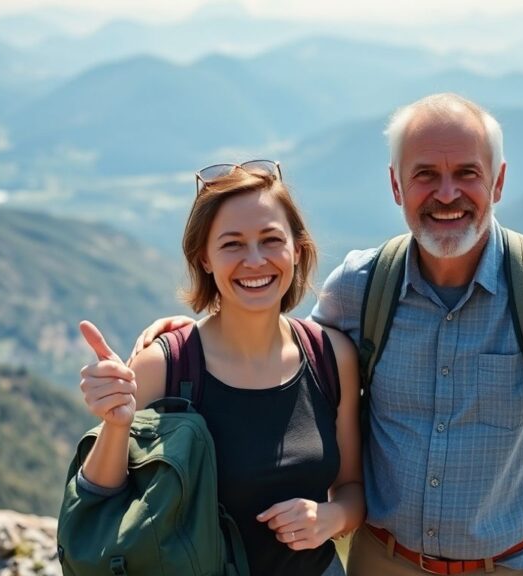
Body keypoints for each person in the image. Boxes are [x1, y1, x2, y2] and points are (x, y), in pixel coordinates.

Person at [132, 94, 523, 575]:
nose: (447, 193)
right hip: (382, 563)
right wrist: (194, 336)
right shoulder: (361, 287)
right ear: (397, 185)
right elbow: (286, 358)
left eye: (467, 172)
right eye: (426, 174)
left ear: (498, 180)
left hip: (513, 566)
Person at [76, 161, 364, 576]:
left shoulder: (331, 357)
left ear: (296, 250)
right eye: (232, 244)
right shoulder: (166, 365)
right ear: (204, 258)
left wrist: (330, 519)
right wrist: (116, 424)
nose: (255, 260)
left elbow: (352, 490)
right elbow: (100, 497)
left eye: (271, 240)